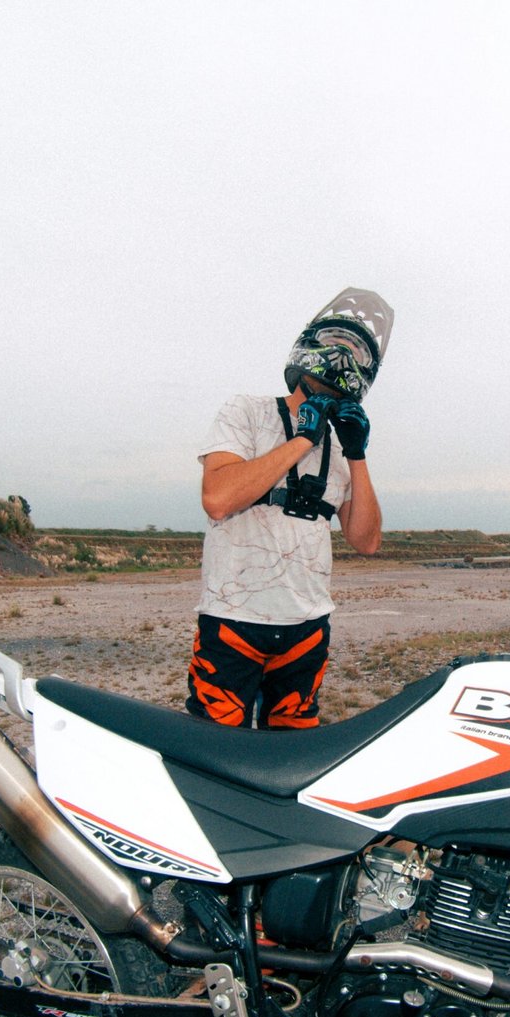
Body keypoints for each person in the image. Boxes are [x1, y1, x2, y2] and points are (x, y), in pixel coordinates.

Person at [185, 288, 390, 729]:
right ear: (311, 345)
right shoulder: (247, 411)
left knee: (291, 751)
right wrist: (302, 439)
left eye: (356, 350)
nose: (343, 356)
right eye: (336, 341)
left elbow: (366, 541)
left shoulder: (340, 448)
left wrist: (357, 454)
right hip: (233, 619)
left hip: (308, 625)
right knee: (214, 747)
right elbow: (218, 500)